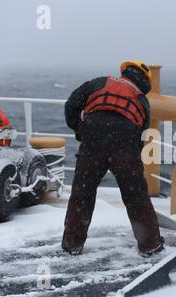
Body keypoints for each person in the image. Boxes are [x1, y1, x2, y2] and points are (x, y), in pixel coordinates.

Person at [62, 61, 164, 257]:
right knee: (136, 197)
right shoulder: (141, 99)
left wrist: (79, 128)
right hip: (125, 144)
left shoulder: (99, 82)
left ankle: (72, 244)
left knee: (82, 194)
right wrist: (129, 157)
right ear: (144, 82)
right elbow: (141, 132)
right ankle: (150, 244)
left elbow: (72, 104)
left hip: (93, 138)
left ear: (124, 72)